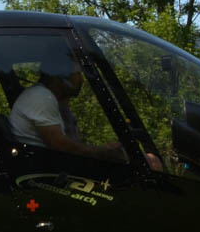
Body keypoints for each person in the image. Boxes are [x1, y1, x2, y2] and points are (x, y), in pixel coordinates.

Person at [10, 61, 163, 170]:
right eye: (78, 73)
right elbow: (62, 147)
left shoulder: (49, 98)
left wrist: (106, 150)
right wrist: (104, 152)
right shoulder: (42, 97)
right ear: (61, 74)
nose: (81, 79)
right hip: (46, 172)